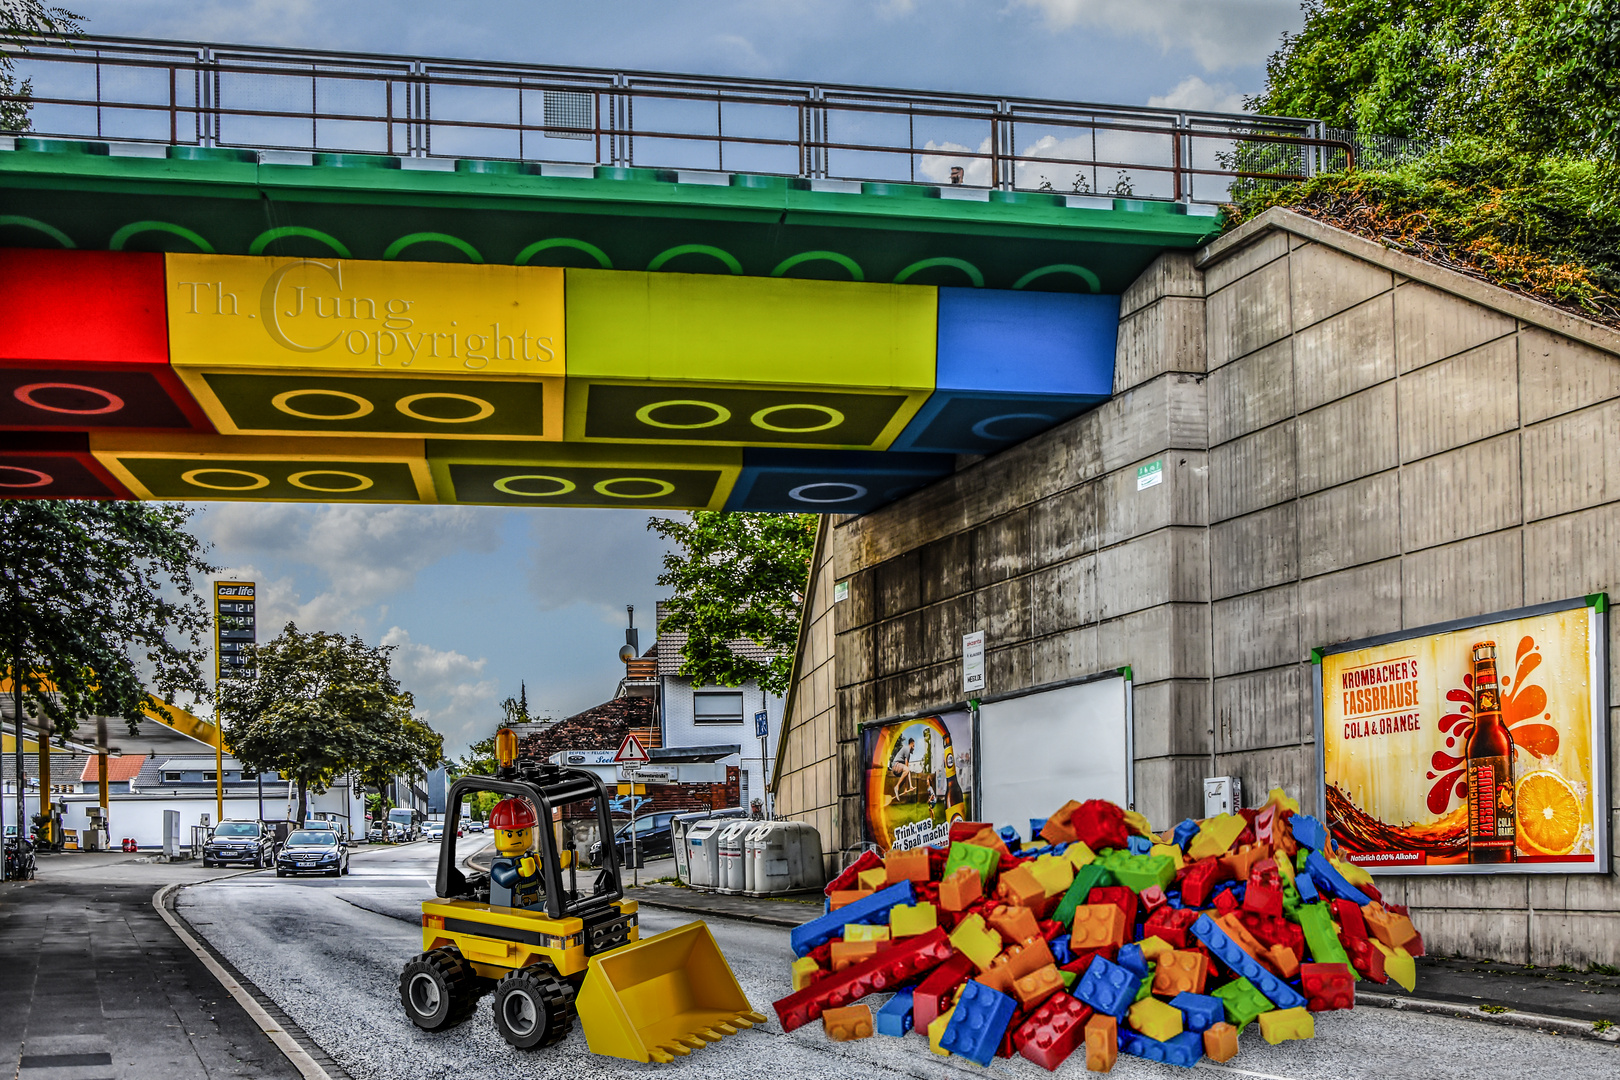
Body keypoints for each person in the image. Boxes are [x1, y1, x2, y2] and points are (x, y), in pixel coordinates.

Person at [488, 797, 543, 909]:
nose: (517, 838)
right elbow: (503, 879)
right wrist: (521, 871)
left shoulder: (531, 857)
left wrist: (562, 864)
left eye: (521, 833)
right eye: (509, 834)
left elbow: (547, 873)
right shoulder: (499, 865)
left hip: (536, 905)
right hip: (510, 913)